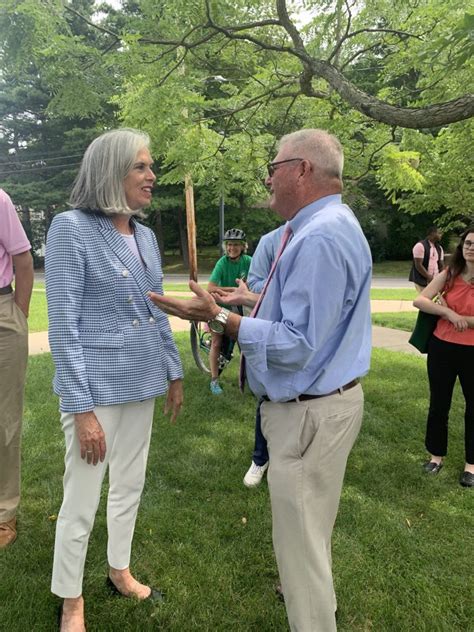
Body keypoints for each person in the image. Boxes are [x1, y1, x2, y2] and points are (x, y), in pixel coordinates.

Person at [148, 128, 372, 631]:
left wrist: (221, 321)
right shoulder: (318, 227)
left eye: (273, 166)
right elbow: (308, 317)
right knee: (309, 541)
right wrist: (238, 306)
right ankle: (319, 608)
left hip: (308, 413)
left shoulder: (321, 236)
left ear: (303, 170)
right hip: (317, 407)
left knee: (300, 551)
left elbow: (296, 344)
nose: (267, 177)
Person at [45, 128, 184, 631]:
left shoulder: (145, 236)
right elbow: (63, 325)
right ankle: (70, 597)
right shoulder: (70, 228)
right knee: (81, 497)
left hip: (141, 379)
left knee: (130, 483)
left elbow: (155, 311)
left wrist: (172, 371)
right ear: (112, 172)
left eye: (151, 166)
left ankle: (118, 569)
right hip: (95, 389)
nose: (152, 176)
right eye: (141, 167)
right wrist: (82, 410)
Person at [413, 226, 474, 488]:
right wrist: (448, 314)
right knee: (439, 404)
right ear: (462, 247)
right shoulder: (449, 274)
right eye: (468, 243)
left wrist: (465, 321)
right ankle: (436, 457)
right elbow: (421, 300)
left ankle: (471, 466)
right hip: (442, 348)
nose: (471, 248)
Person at [0, 189, 33, 549]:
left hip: (2, 314)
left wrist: (19, 317)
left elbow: (23, 261)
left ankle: (4, 513)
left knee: (4, 420)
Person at [242, 226, 284, 488]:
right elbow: (255, 282)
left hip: (308, 334)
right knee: (267, 396)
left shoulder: (323, 233)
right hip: (272, 329)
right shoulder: (271, 240)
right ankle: (260, 458)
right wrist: (287, 282)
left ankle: (286, 457)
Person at [206, 228, 251, 395]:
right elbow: (210, 288)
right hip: (221, 309)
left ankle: (248, 379)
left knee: (246, 344)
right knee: (217, 342)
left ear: (243, 247)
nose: (232, 248)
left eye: (236, 245)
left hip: (240, 309)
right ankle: (214, 381)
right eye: (230, 244)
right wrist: (233, 289)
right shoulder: (222, 263)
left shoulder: (248, 261)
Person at [409, 226, 444, 292]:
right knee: (424, 300)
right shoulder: (420, 246)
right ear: (432, 233)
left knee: (433, 300)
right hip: (422, 280)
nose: (441, 235)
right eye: (439, 233)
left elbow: (441, 265)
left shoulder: (439, 248)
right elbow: (418, 265)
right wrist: (428, 276)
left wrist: (442, 278)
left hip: (435, 280)